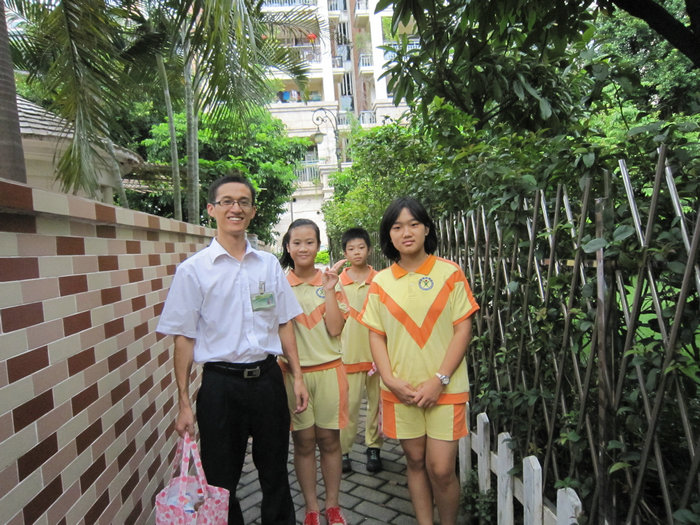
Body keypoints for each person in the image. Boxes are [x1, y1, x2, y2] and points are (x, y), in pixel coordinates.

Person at [156, 174, 309, 525]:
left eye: (243, 202)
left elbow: (284, 322)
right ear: (212, 209)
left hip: (268, 380)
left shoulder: (268, 265)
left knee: (275, 473)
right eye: (227, 201)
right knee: (221, 480)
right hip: (220, 387)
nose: (235, 208)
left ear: (252, 211)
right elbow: (183, 339)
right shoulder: (193, 271)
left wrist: (298, 376)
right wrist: (183, 402)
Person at [358, 197, 479, 525]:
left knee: (441, 469)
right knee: (414, 461)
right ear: (389, 235)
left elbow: (463, 328)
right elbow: (376, 335)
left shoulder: (450, 273)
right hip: (402, 390)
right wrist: (390, 380)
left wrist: (439, 380)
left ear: (427, 229)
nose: (406, 232)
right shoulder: (380, 282)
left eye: (414, 224)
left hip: (445, 388)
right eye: (397, 227)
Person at [279, 219, 349, 525]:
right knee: (304, 442)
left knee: (330, 441)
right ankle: (311, 508)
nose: (303, 248)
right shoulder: (280, 285)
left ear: (318, 246)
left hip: (330, 371)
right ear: (288, 247)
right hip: (294, 377)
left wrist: (330, 290)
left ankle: (332, 505)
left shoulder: (332, 281)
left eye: (310, 242)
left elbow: (335, 329)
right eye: (297, 242)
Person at [337, 227, 383, 473]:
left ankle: (373, 447)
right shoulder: (337, 282)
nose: (356, 252)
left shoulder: (380, 280)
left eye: (361, 247)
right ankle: (343, 451)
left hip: (377, 357)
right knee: (349, 405)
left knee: (376, 404)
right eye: (351, 249)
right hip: (349, 355)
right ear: (344, 253)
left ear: (369, 249)